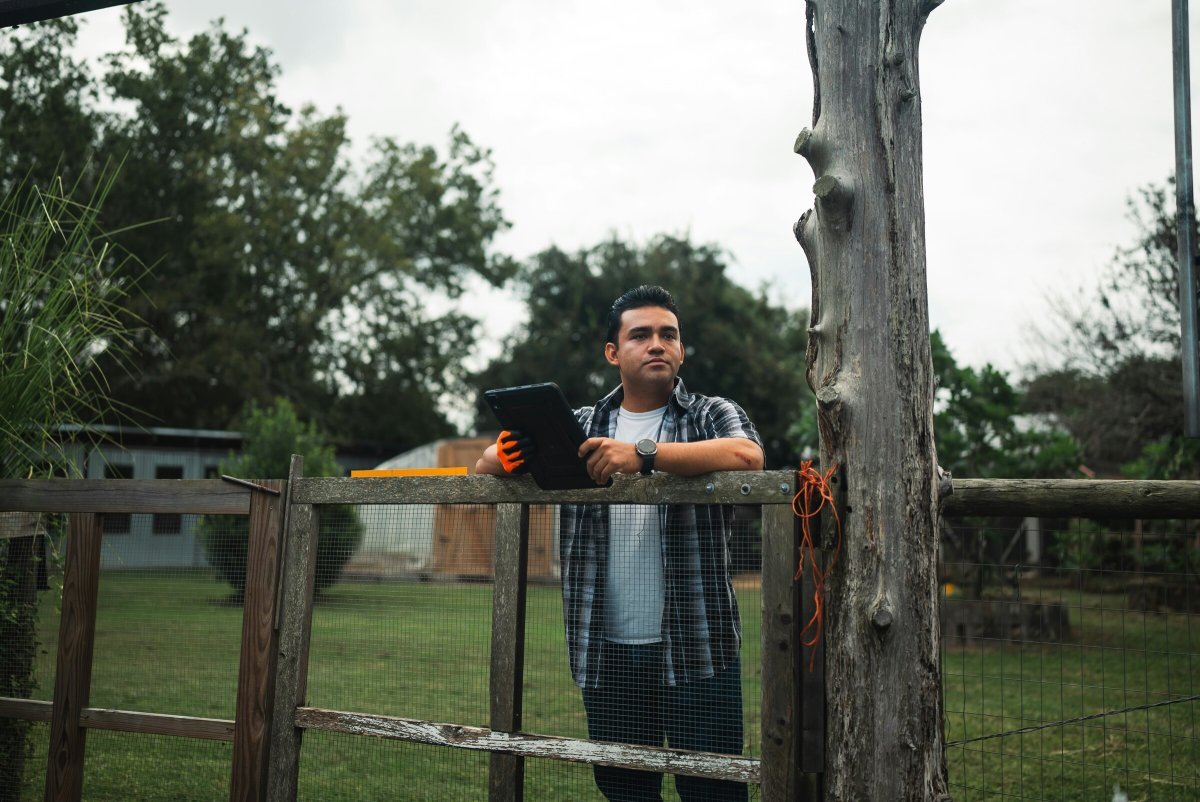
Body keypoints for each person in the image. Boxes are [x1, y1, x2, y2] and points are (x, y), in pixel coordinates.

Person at [476, 285, 764, 802]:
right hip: (605, 653)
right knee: (626, 794)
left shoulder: (709, 414)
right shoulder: (580, 426)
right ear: (613, 352)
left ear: (681, 350)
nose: (657, 344)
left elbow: (748, 457)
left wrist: (644, 454)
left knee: (715, 794)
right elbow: (485, 467)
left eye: (668, 335)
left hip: (700, 648)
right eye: (641, 335)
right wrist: (507, 451)